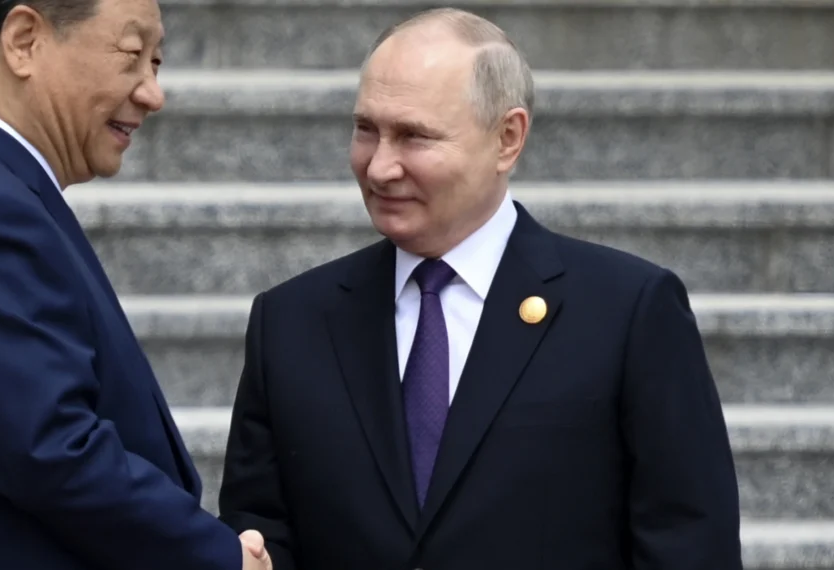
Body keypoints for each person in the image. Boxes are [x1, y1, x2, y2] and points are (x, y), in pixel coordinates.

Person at [217, 8, 742, 569]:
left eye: (414, 136)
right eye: (367, 129)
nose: (380, 168)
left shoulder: (627, 312)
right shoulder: (291, 322)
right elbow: (260, 533)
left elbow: (688, 544)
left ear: (507, 138)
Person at [0, 0, 272, 567]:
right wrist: (219, 556)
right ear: (23, 40)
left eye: (157, 63)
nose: (152, 93)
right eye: (132, 55)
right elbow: (51, 452)